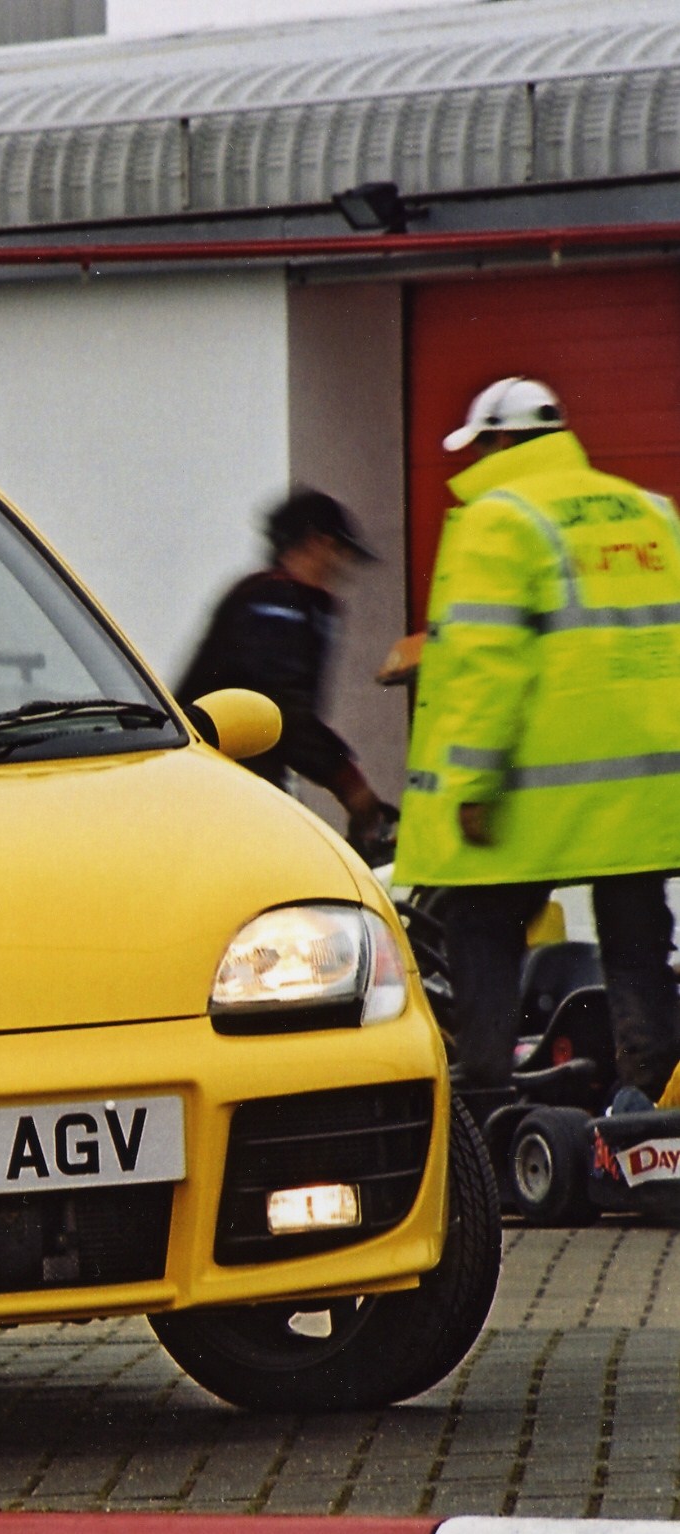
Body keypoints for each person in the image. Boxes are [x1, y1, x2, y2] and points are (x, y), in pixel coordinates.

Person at [402, 376, 680, 1099]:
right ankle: (649, 1102)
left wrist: (470, 782)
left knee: (480, 922)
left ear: (498, 441)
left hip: (535, 792)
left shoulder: (502, 519)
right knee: (637, 943)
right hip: (645, 791)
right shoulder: (649, 512)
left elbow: (487, 664)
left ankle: (486, 1089)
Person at [179, 490, 394, 853]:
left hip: (234, 780)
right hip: (221, 783)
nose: (342, 569)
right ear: (316, 544)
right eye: (339, 552)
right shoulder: (276, 604)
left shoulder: (280, 601)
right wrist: (351, 786)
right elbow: (284, 712)